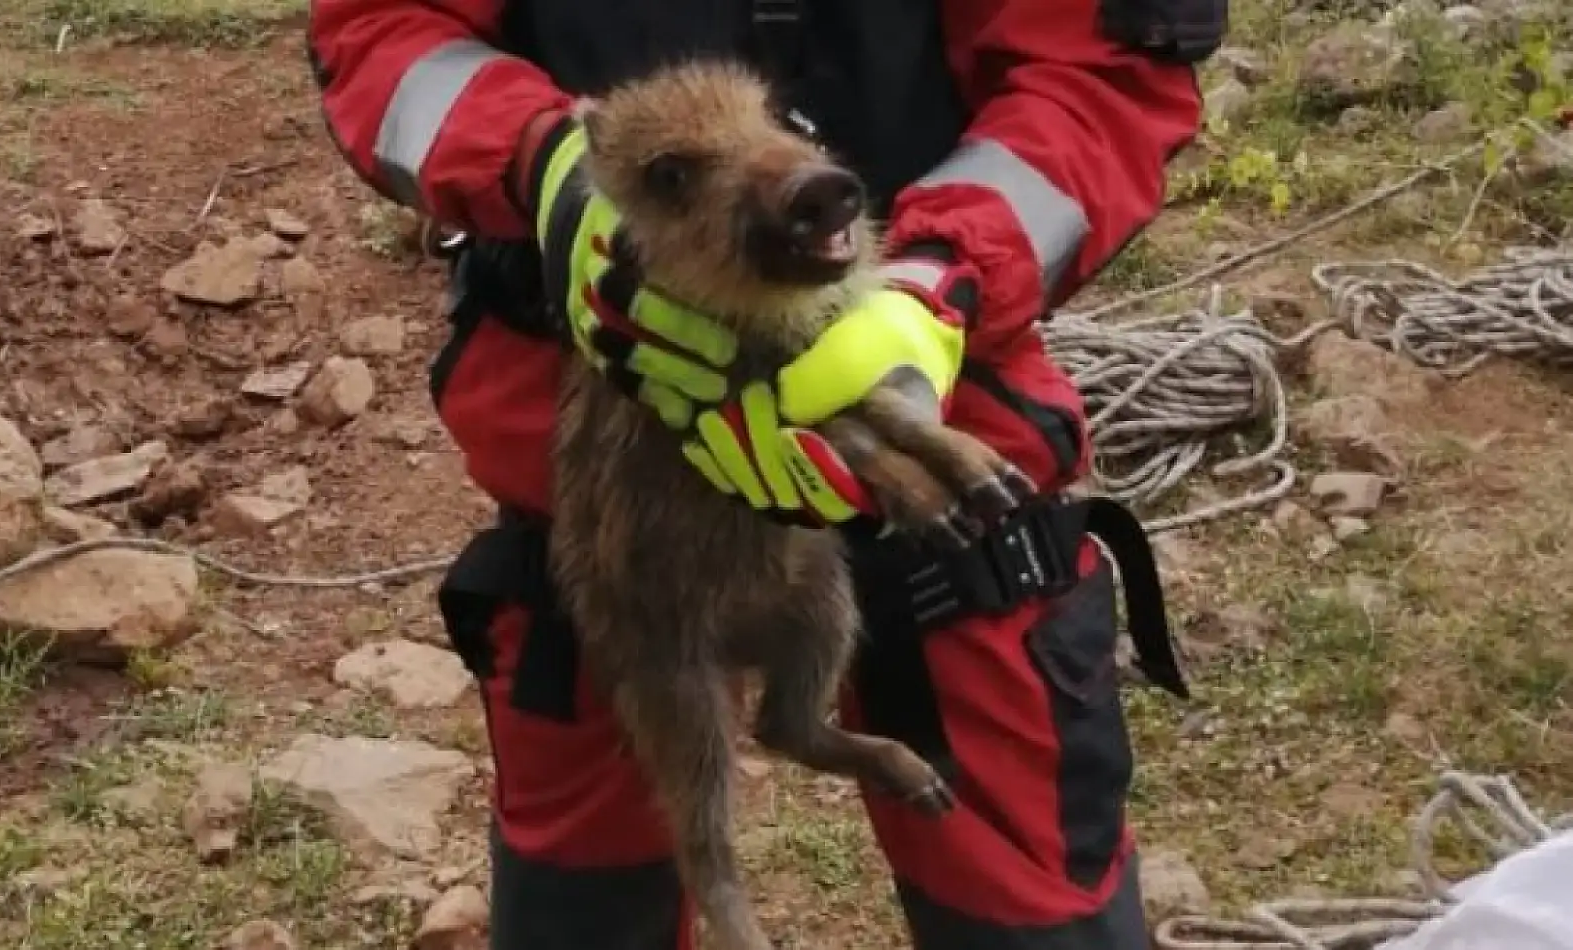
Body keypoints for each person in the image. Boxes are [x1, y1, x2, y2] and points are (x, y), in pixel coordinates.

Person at [305, 0, 1220, 947]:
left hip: (946, 405)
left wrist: (941, 279)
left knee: (1029, 894)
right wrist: (544, 171)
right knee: (593, 888)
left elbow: (1097, 74)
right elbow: (383, 29)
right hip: (601, 448)